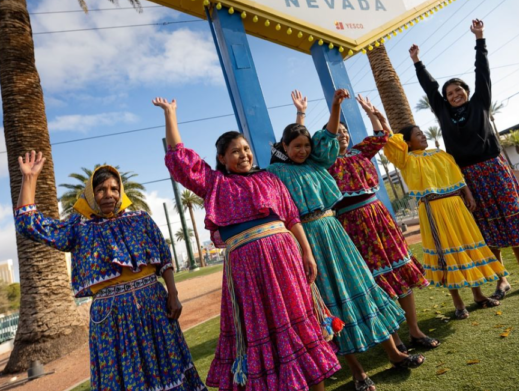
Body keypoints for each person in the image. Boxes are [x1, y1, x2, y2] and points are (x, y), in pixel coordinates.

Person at [154, 97, 340, 391]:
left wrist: (307, 252)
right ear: (222, 160)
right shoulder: (215, 183)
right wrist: (171, 114)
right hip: (247, 269)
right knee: (262, 327)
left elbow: (291, 217)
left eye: (246, 149)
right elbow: (181, 160)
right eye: (235, 152)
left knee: (298, 323)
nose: (243, 155)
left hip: (284, 259)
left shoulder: (270, 179)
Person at [268, 90, 425, 390]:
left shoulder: (318, 162)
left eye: (305, 146)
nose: (302, 150)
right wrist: (299, 116)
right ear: (284, 147)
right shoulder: (276, 173)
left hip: (335, 231)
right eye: (295, 146)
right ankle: (358, 373)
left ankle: (394, 353)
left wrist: (335, 106)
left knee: (363, 286)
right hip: (308, 240)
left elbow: (327, 136)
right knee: (330, 302)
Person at [14, 155, 206, 391]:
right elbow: (29, 225)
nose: (109, 194)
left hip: (154, 308)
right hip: (111, 318)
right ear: (90, 193)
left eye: (114, 188)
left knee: (167, 366)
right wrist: (30, 178)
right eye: (101, 189)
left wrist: (173, 293)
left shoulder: (140, 220)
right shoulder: (79, 227)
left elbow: (164, 258)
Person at [410, 19, 519, 299]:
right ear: (445, 99)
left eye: (459, 90)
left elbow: (482, 72)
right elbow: (430, 88)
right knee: (486, 228)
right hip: (469, 177)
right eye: (450, 93)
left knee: (512, 220)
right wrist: (417, 63)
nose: (455, 95)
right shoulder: (443, 112)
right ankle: (500, 280)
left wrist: (480, 38)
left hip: (495, 170)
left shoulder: (480, 103)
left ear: (467, 92)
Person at [301, 95, 436, 350]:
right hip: (350, 225)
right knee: (374, 280)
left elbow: (382, 135)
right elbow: (321, 140)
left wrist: (371, 112)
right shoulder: (324, 163)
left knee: (400, 270)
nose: (342, 135)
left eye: (345, 132)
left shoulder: (360, 152)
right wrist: (333, 110)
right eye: (337, 132)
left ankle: (415, 331)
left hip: (378, 216)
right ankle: (394, 339)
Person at [383, 124, 508, 319]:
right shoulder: (406, 160)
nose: (423, 136)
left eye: (422, 132)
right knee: (446, 255)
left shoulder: (441, 154)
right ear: (407, 142)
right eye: (418, 134)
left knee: (467, 248)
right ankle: (458, 303)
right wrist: (381, 120)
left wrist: (469, 195)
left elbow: (457, 175)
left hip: (457, 206)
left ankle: (478, 295)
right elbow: (392, 142)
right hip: (433, 209)